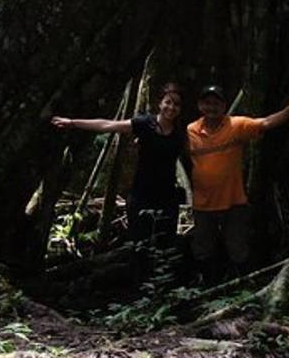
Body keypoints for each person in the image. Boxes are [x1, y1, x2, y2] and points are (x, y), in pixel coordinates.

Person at [188, 85, 289, 283]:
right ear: (200, 105)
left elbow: (266, 123)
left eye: (216, 104)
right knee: (203, 248)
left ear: (224, 106)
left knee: (237, 248)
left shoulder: (236, 125)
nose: (211, 108)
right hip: (203, 204)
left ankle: (240, 287)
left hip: (233, 202)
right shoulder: (190, 130)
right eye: (207, 103)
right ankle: (207, 287)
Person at [51, 83, 190, 246]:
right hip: (142, 195)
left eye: (176, 104)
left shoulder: (180, 133)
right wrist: (73, 122)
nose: (171, 107)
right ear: (160, 103)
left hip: (167, 197)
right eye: (168, 102)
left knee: (165, 244)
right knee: (140, 244)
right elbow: (109, 125)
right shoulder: (145, 124)